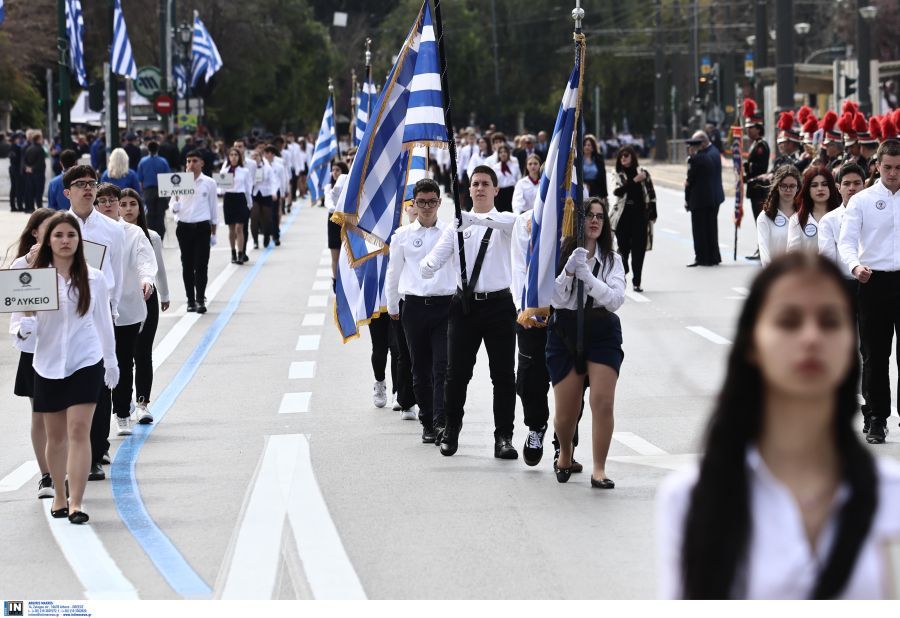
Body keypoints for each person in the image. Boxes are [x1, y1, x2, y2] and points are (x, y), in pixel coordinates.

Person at [656, 251, 900, 599]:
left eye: (831, 321)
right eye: (789, 321)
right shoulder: (692, 498)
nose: (812, 338)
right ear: (753, 343)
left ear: (851, 344)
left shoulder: (890, 496)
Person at [14, 212, 119, 524]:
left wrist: (110, 362)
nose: (64, 241)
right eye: (58, 235)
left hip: (85, 362)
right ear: (48, 240)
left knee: (78, 430)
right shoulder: (33, 277)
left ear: (79, 241)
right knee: (55, 436)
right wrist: (28, 324)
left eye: (71, 235)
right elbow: (17, 330)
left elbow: (103, 324)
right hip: (46, 365)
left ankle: (76, 502)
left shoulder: (94, 278)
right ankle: (59, 496)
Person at [421, 165, 519, 459]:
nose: (479, 188)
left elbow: (514, 226)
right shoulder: (456, 226)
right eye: (475, 183)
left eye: (485, 184)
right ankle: (452, 431)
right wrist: (425, 268)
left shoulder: (504, 220)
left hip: (499, 305)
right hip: (465, 306)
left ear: (495, 190)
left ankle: (503, 436)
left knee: (503, 376)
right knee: (456, 375)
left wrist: (474, 219)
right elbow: (434, 260)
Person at [548, 198, 626, 487]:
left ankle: (599, 469)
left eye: (599, 217)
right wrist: (569, 271)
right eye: (588, 216)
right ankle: (565, 452)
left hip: (602, 328)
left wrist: (589, 278)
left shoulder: (611, 259)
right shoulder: (561, 253)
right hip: (566, 330)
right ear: (577, 222)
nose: (594, 221)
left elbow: (616, 299)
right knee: (566, 414)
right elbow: (554, 299)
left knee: (602, 402)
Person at [838, 138, 900, 444]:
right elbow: (847, 241)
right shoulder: (862, 200)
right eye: (887, 167)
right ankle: (877, 417)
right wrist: (854, 266)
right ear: (876, 165)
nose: (893, 173)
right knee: (875, 355)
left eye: (899, 168)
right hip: (872, 280)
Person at [386, 179, 454, 439]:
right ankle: (426, 421)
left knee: (442, 367)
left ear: (439, 203)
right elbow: (394, 273)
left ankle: (440, 421)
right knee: (419, 368)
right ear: (414, 204)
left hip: (444, 306)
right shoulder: (402, 236)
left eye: (432, 201)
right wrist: (393, 306)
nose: (427, 207)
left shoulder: (449, 232)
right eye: (422, 202)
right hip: (413, 307)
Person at [93, 184, 156, 436]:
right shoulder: (87, 231)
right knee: (96, 365)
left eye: (112, 200)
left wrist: (146, 280)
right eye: (102, 200)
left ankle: (121, 413)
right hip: (95, 311)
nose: (108, 204)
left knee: (122, 362)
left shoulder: (133, 233)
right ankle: (98, 431)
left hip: (127, 308)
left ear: (119, 203)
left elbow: (145, 261)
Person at [7, 209, 58, 499]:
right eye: (46, 229)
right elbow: (17, 309)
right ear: (35, 233)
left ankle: (64, 466)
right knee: (39, 413)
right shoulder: (20, 266)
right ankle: (46, 475)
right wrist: (24, 329)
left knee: (61, 415)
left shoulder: (67, 262)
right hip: (33, 350)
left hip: (63, 348)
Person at [119, 189, 169, 425]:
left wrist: (165, 294)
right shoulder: (112, 235)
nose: (128, 209)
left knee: (143, 352)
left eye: (132, 204)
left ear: (140, 208)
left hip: (147, 298)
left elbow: (157, 268)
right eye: (124, 204)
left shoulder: (153, 236)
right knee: (123, 356)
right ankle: (123, 402)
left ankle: (142, 403)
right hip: (121, 302)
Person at [170, 151, 218, 314]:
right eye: (188, 161)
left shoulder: (209, 182)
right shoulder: (179, 181)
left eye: (194, 161)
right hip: (184, 227)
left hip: (202, 227)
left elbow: (213, 208)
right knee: (187, 265)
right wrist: (175, 208)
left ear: (202, 163)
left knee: (201, 265)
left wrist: (214, 232)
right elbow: (173, 204)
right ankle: (190, 299)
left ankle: (200, 298)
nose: (191, 164)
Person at [612, 145, 657, 292]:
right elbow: (617, 191)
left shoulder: (643, 173)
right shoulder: (618, 173)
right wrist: (635, 181)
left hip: (639, 216)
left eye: (626, 155)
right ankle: (624, 269)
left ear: (632, 157)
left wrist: (653, 212)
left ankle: (637, 281)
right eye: (621, 156)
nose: (623, 158)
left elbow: (651, 193)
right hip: (623, 217)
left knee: (639, 250)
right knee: (623, 249)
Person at [684, 131, 724, 267]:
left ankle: (703, 257)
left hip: (704, 197)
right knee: (709, 228)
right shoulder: (711, 153)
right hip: (711, 196)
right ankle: (712, 257)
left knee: (702, 229)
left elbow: (691, 180)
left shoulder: (702, 156)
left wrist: (686, 197)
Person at [786, 165, 840, 254]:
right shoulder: (797, 220)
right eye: (814, 185)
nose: (820, 189)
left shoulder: (843, 216)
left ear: (831, 187)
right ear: (808, 190)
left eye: (824, 184)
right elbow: (793, 255)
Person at [756, 165, 800, 268]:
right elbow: (764, 251)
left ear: (798, 187)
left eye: (792, 186)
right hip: (777, 274)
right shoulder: (765, 217)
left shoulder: (805, 214)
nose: (788, 190)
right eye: (784, 185)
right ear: (777, 187)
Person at [742, 105, 771, 260]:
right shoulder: (754, 144)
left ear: (758, 128)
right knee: (757, 220)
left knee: (761, 220)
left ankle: (763, 249)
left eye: (751, 128)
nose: (748, 131)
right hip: (753, 187)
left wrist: (746, 167)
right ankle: (760, 248)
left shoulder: (761, 145)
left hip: (759, 187)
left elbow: (759, 167)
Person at [220, 147, 253, 265]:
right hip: (229, 199)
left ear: (239, 157)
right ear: (228, 157)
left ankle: (240, 253)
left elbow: (248, 188)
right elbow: (220, 188)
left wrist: (250, 203)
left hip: (240, 199)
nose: (233, 157)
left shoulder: (244, 171)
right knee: (231, 229)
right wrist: (219, 190)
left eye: (236, 155)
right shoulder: (224, 171)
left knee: (240, 228)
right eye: (231, 155)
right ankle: (233, 252)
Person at [137, 141, 172, 241]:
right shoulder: (163, 161)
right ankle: (160, 236)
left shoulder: (142, 162)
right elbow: (168, 178)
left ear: (148, 149)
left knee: (149, 215)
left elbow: (140, 179)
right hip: (161, 190)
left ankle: (150, 236)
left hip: (148, 191)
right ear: (158, 149)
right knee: (160, 215)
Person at [324, 161, 349, 285]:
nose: (334, 173)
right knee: (335, 253)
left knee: (347, 253)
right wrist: (337, 210)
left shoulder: (348, 184)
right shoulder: (329, 187)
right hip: (334, 220)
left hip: (347, 221)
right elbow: (329, 203)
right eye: (333, 170)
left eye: (337, 170)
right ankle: (335, 280)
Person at [490, 144, 521, 213]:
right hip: (500, 193)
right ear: (498, 154)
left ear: (508, 153)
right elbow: (494, 181)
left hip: (511, 191)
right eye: (501, 152)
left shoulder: (514, 165)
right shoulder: (495, 167)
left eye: (505, 152)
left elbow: (518, 178)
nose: (503, 154)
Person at [22, 132, 48, 212]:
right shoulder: (40, 149)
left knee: (31, 191)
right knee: (39, 192)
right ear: (38, 139)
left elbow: (24, 160)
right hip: (38, 174)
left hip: (29, 174)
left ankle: (30, 208)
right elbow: (40, 163)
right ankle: (39, 208)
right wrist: (33, 168)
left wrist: (28, 168)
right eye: (41, 138)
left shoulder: (29, 148)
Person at [582, 134, 608, 200]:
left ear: (593, 147)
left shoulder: (598, 159)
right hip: (582, 191)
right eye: (584, 145)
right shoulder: (578, 160)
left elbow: (603, 177)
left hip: (596, 191)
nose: (586, 147)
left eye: (589, 145)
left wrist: (604, 196)